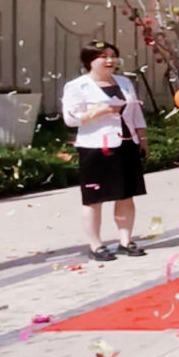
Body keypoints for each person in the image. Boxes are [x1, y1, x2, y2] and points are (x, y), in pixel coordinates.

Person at [61, 42, 149, 261]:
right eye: (103, 56)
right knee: (94, 198)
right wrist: (101, 110)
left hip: (126, 143)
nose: (110, 61)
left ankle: (125, 241)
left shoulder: (124, 82)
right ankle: (96, 245)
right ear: (89, 61)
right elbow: (71, 119)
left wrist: (142, 139)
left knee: (126, 195)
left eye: (113, 56)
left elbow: (135, 112)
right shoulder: (77, 86)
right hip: (96, 146)